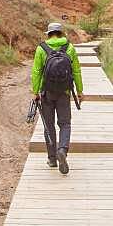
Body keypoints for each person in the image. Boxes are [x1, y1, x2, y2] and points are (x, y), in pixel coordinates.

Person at [31, 21, 83, 174]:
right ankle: (63, 149)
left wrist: (35, 91)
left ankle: (52, 158)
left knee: (49, 125)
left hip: (47, 93)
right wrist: (80, 91)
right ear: (61, 33)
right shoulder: (70, 47)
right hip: (64, 92)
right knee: (65, 124)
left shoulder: (42, 48)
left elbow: (36, 71)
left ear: (48, 34)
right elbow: (77, 71)